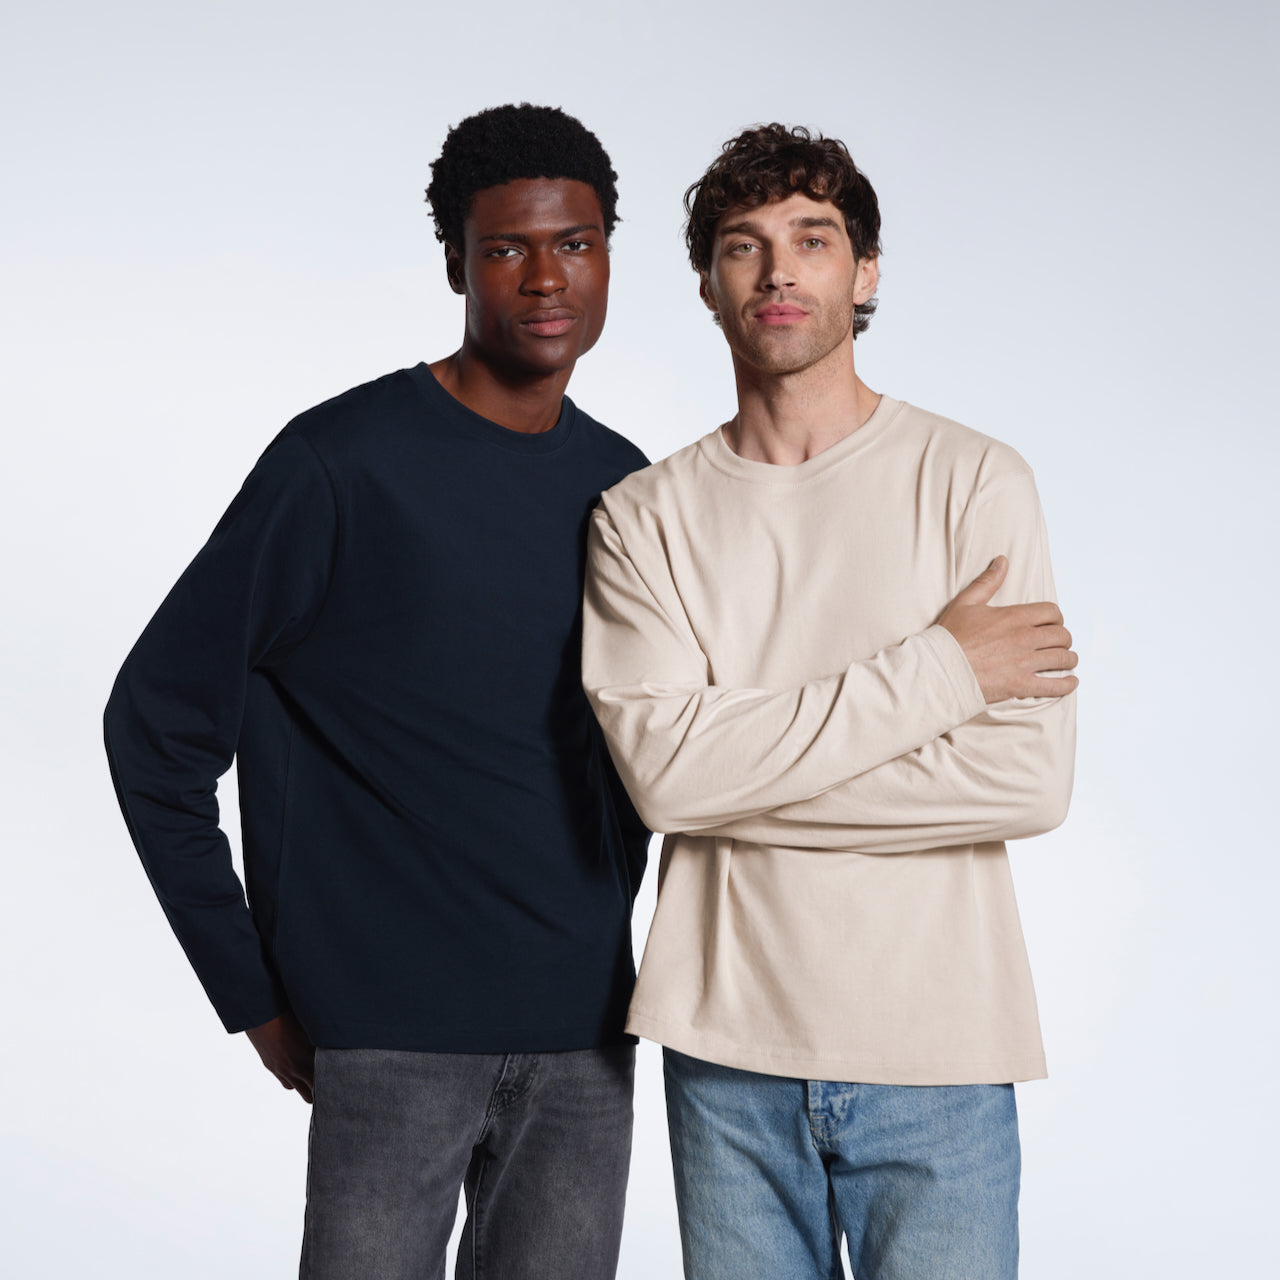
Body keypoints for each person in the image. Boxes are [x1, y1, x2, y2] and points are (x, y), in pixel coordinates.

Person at [104, 103, 649, 1280]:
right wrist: (249, 990)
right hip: (387, 1038)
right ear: (455, 260)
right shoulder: (339, 465)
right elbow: (155, 725)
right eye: (506, 247)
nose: (546, 278)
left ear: (610, 255)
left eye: (578, 241)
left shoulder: (630, 488)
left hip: (589, 1035)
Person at [582, 123, 1078, 1280]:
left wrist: (738, 766)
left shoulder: (972, 479)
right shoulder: (642, 517)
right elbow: (662, 779)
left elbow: (1023, 777)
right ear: (707, 285)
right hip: (724, 1047)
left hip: (939, 1041)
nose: (779, 270)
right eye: (743, 246)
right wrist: (942, 674)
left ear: (862, 275)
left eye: (813, 239)